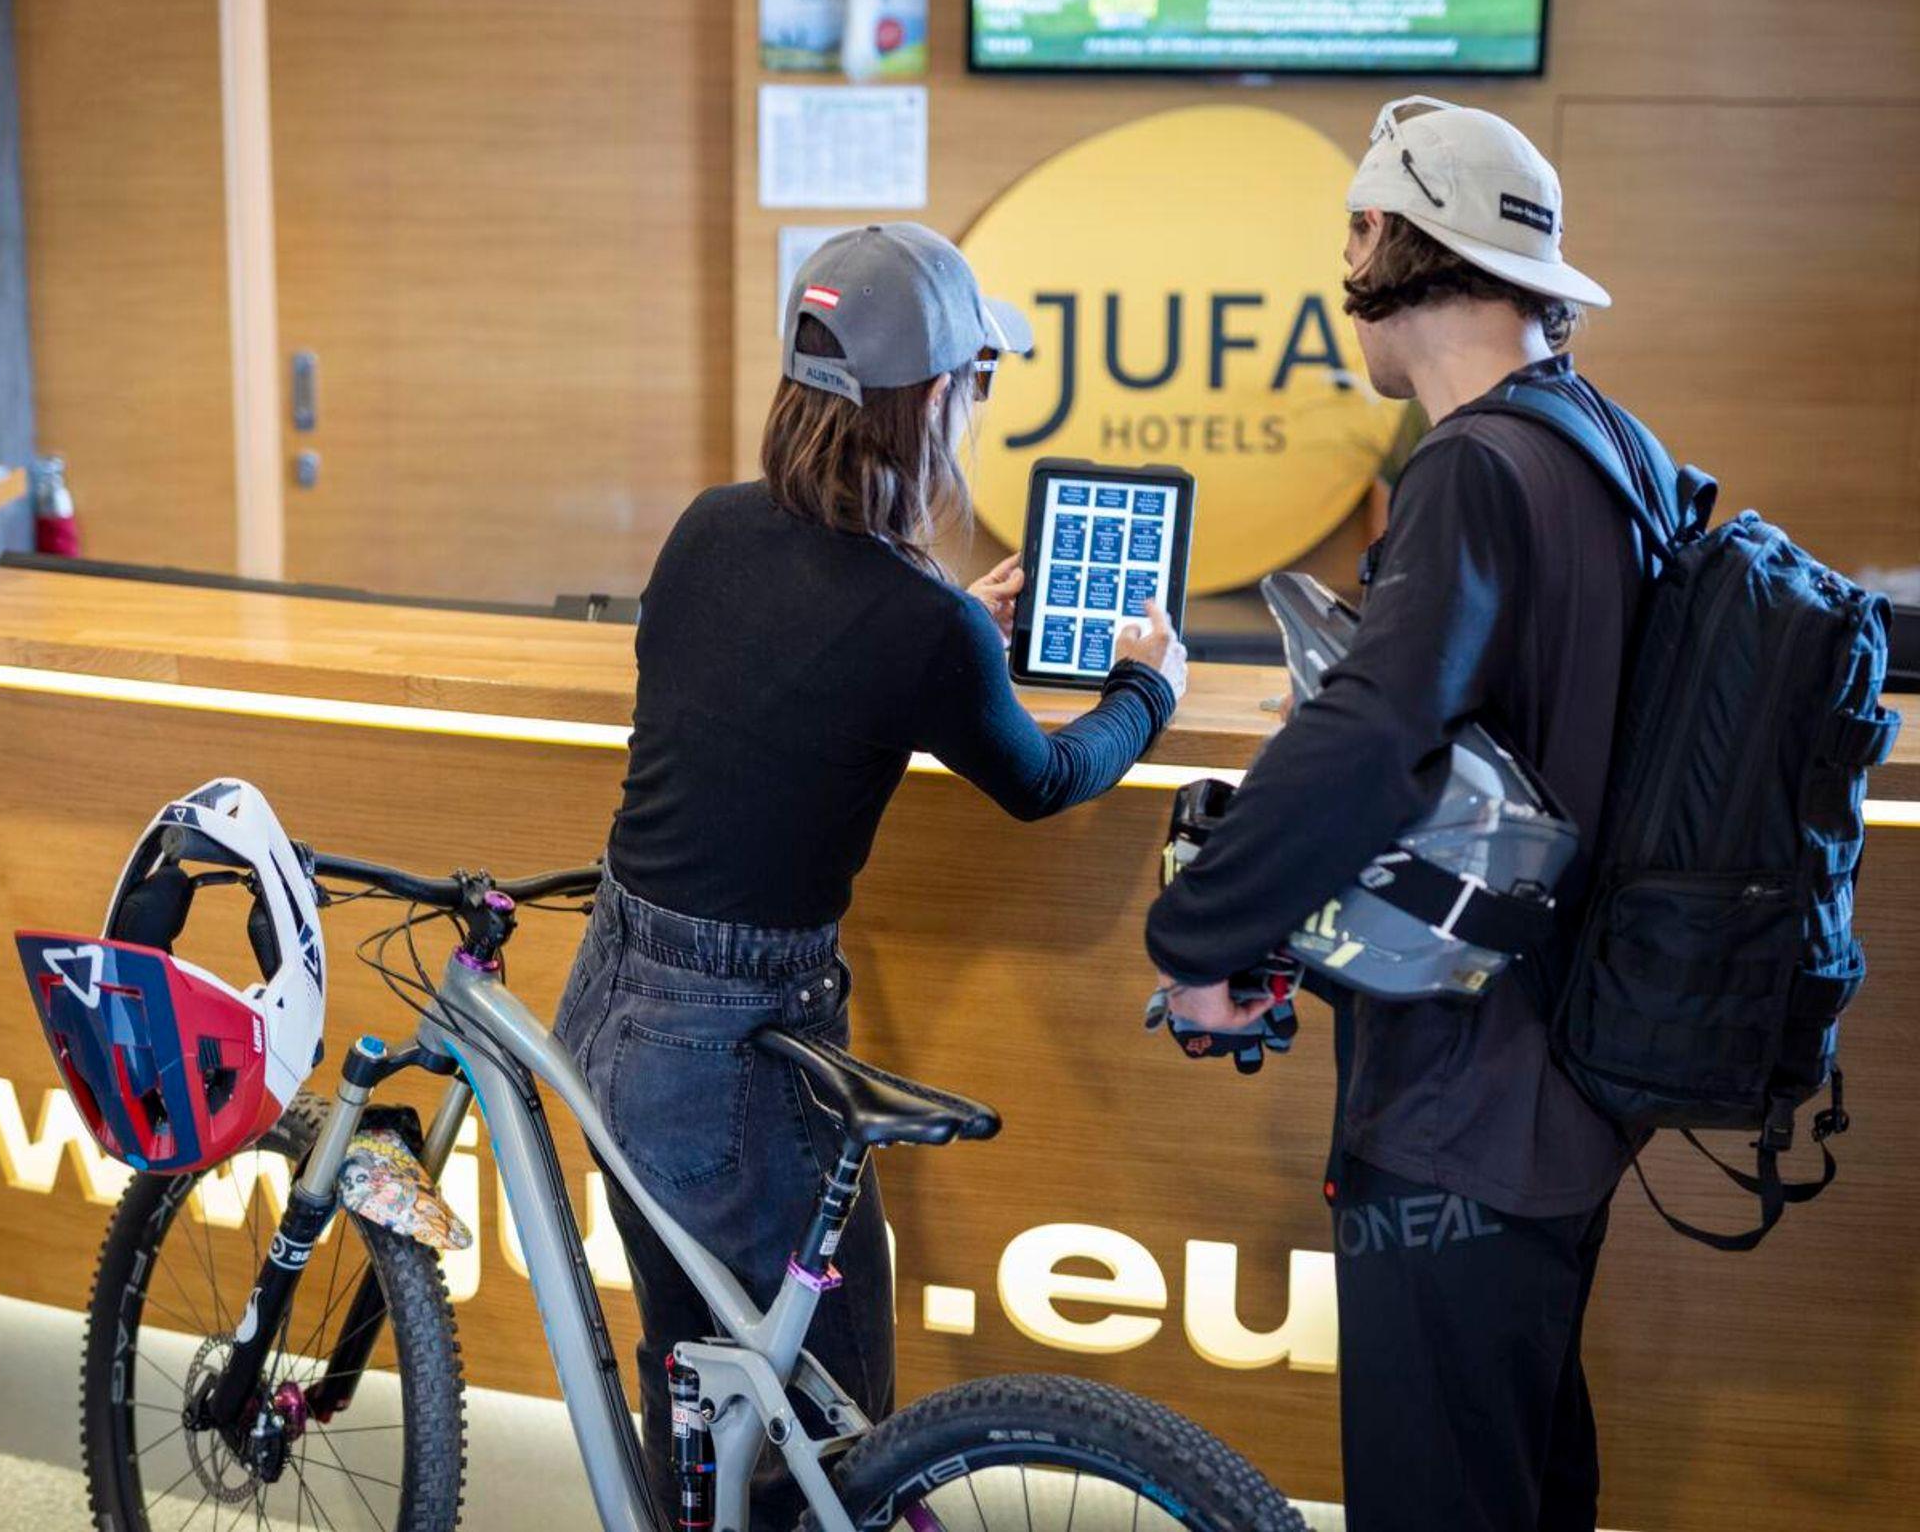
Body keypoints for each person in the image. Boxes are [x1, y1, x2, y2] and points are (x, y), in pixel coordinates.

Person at [555, 222, 1188, 1530]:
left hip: (611, 1002)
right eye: (980, 380)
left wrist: (952, 621)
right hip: (740, 1044)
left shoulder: (709, 530)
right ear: (936, 397)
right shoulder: (920, 622)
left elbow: (787, 664)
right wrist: (1146, 688)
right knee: (833, 1424)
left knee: (696, 1370)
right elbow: (1044, 778)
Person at [1144, 98, 1644, 1530]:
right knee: (1522, 1482)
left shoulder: (1473, 468)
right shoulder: (1602, 444)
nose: (1344, 263)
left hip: (1458, 1107)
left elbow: (1372, 736)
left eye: (1352, 230)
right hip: (1565, 1086)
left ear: (1386, 238)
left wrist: (1198, 934)